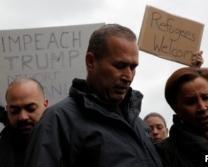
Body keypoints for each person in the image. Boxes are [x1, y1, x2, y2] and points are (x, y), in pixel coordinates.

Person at [24, 24, 163, 167]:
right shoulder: (57, 121)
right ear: (91, 62)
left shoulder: (139, 125)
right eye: (119, 66)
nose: (128, 76)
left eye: (133, 67)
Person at [0, 77, 49, 167]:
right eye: (15, 111)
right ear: (7, 110)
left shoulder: (66, 145)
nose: (23, 117)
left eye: (30, 108)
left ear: (45, 105)